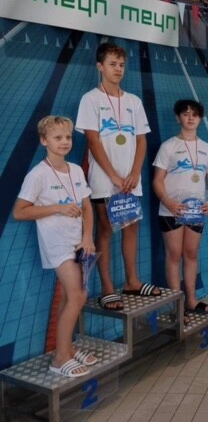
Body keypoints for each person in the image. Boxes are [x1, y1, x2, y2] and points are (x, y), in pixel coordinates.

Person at [76, 41, 157, 311]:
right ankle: (108, 289)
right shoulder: (91, 99)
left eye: (121, 64)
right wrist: (113, 175)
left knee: (131, 226)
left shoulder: (133, 101)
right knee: (106, 229)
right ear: (100, 67)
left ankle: (132, 281)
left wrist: (134, 172)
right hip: (104, 180)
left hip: (131, 180)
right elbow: (93, 140)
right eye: (112, 64)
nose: (118, 69)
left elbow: (141, 140)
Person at [14, 116, 97, 377]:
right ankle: (60, 358)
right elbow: (20, 211)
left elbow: (87, 207)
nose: (64, 142)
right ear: (44, 140)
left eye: (68, 137)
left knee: (68, 297)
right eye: (57, 137)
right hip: (57, 244)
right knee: (78, 295)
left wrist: (88, 236)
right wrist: (58, 208)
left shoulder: (76, 170)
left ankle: (67, 348)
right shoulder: (37, 175)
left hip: (78, 242)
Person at [152, 100, 208, 324]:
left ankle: (191, 300)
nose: (190, 118)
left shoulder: (207, 149)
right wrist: (168, 202)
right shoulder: (168, 146)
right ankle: (177, 306)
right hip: (171, 210)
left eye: (195, 114)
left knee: (191, 254)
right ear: (178, 117)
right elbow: (157, 180)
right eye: (186, 114)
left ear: (200, 118)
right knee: (173, 255)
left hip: (195, 211)